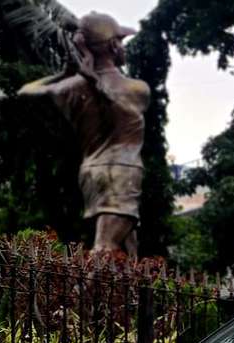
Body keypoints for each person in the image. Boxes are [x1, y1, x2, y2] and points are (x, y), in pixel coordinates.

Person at [19, 12, 150, 256]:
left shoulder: (70, 88)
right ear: (112, 45)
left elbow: (27, 91)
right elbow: (120, 110)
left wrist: (66, 75)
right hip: (123, 171)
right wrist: (89, 80)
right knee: (105, 247)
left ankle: (133, 295)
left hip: (91, 173)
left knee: (130, 249)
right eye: (120, 41)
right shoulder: (137, 89)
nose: (123, 47)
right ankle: (79, 293)